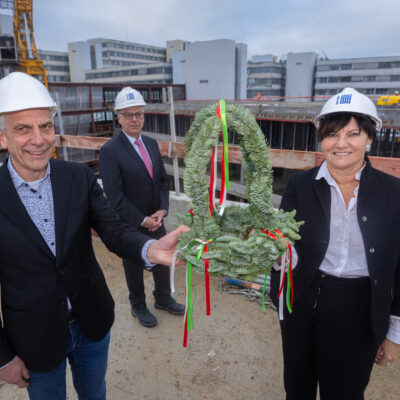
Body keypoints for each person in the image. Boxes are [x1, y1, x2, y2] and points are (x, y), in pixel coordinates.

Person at [0, 72, 187, 400]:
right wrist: (2, 358)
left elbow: (112, 229)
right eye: (22, 129)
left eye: (45, 126)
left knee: (94, 394)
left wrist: (150, 248)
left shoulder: (78, 176)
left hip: (91, 323)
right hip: (36, 339)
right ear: (3, 137)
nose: (39, 139)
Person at [270, 87, 400, 400]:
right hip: (303, 297)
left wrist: (394, 333)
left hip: (360, 305)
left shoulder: (394, 193)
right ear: (321, 140)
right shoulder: (300, 185)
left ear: (369, 138)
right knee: (297, 386)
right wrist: (274, 250)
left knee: (345, 392)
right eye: (332, 134)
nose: (341, 144)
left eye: (352, 134)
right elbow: (283, 247)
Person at [99, 87, 184, 328]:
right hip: (130, 222)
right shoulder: (110, 151)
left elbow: (162, 182)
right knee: (134, 265)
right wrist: (140, 220)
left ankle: (163, 298)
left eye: (138, 114)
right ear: (118, 117)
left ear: (144, 115)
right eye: (128, 115)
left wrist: (162, 210)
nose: (134, 119)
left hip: (155, 218)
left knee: (163, 259)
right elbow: (115, 197)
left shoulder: (150, 143)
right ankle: (138, 304)